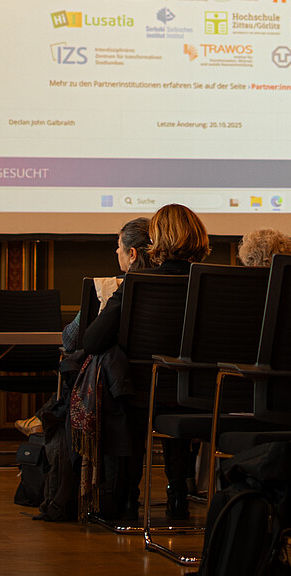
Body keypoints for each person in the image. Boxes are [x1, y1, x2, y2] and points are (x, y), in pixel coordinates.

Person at [83, 203, 210, 518]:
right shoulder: (213, 283)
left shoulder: (136, 284)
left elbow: (92, 340)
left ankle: (128, 500)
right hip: (201, 393)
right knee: (175, 396)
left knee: (132, 398)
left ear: (156, 240)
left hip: (141, 393)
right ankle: (178, 496)